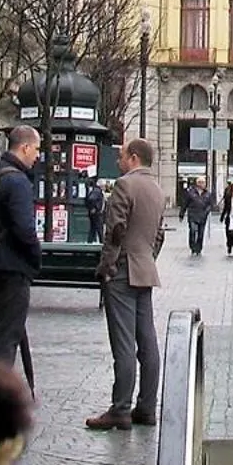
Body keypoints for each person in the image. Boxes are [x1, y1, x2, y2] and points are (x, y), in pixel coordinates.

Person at [87, 137, 167, 432]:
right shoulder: (157, 189)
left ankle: (120, 408)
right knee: (147, 341)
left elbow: (115, 232)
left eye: (121, 155)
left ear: (133, 157)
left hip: (122, 270)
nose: (118, 160)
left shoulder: (125, 185)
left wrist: (107, 267)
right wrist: (148, 258)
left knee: (123, 342)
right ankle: (147, 406)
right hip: (145, 269)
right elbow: (159, 234)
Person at [0, 126, 44, 368]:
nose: (38, 155)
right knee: (5, 339)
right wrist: (35, 258)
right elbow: (25, 229)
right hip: (12, 268)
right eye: (36, 149)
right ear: (24, 147)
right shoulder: (17, 181)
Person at [181, 179, 213, 255]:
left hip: (202, 216)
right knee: (192, 231)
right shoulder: (191, 193)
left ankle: (199, 248)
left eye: (203, 182)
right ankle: (193, 247)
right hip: (192, 215)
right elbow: (185, 203)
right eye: (200, 182)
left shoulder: (208, 194)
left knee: (201, 233)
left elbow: (210, 204)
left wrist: (207, 211)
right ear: (197, 183)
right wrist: (181, 214)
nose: (202, 184)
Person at [84, 177, 105, 246]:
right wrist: (94, 208)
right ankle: (102, 242)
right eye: (103, 185)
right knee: (99, 228)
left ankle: (89, 242)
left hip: (95, 213)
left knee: (93, 228)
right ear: (101, 185)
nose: (104, 187)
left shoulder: (96, 190)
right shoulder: (97, 191)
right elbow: (91, 199)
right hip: (97, 213)